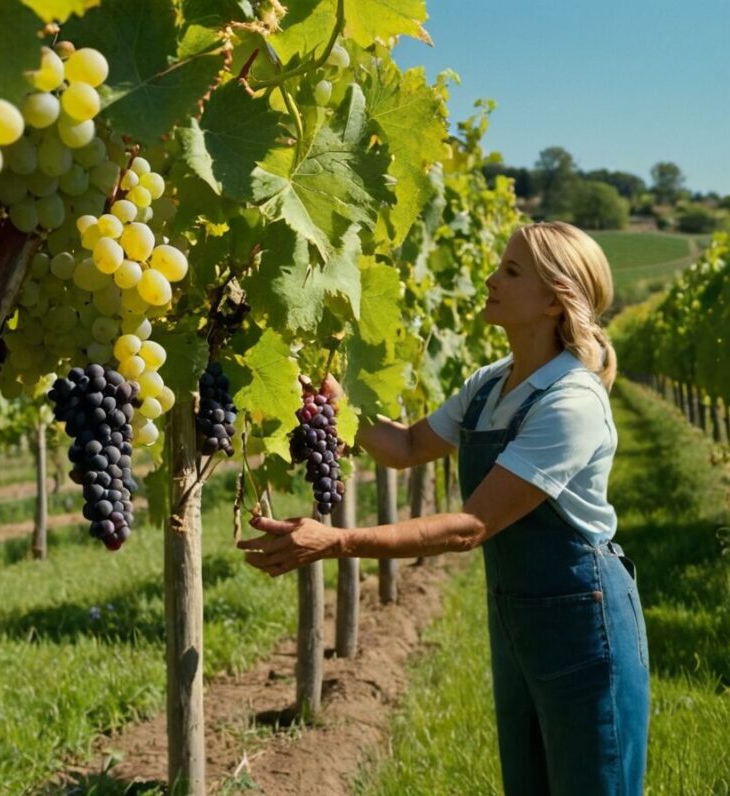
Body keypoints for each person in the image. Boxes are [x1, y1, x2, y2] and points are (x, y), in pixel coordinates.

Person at [239, 221, 650, 795]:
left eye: (510, 271)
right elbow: (405, 447)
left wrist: (337, 542)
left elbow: (471, 526)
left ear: (555, 299)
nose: (489, 279)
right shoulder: (490, 386)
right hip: (517, 618)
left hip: (584, 622)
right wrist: (335, 406)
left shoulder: (571, 401)